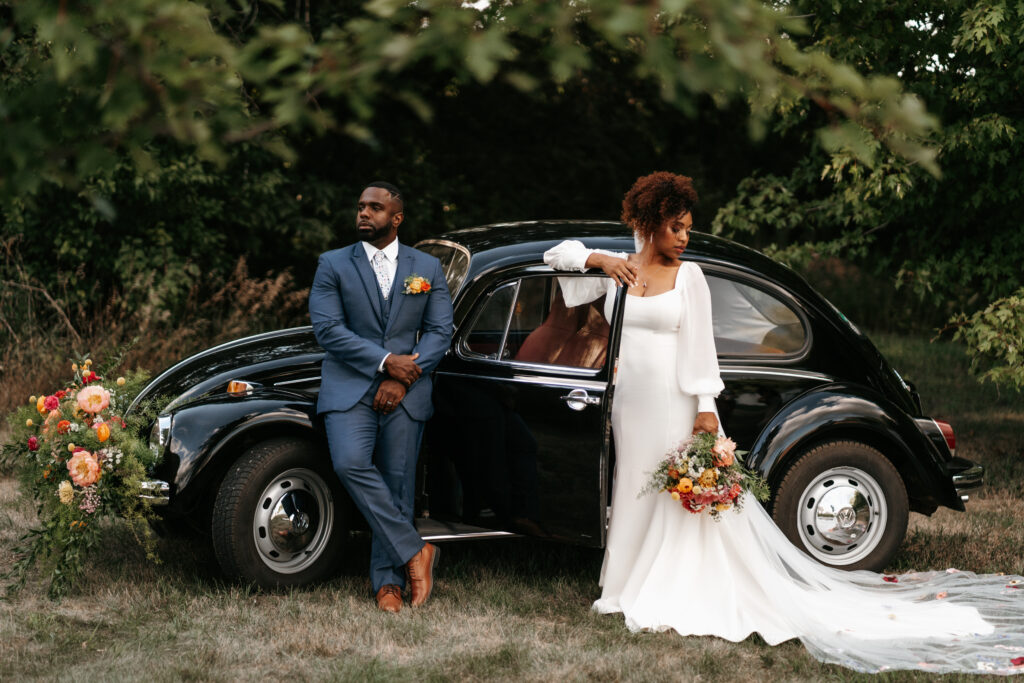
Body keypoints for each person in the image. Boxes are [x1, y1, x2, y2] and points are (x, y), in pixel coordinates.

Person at [544, 172, 1024, 675]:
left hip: (673, 400)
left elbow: (700, 347)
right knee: (630, 484)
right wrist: (598, 259)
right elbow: (556, 256)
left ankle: (667, 585)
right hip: (629, 402)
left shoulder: (690, 277)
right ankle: (622, 585)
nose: (685, 238)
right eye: (676, 228)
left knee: (672, 491)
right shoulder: (615, 270)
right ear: (648, 224)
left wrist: (706, 406)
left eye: (688, 228)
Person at [309, 181, 454, 613]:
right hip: (350, 387)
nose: (364, 214)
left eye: (375, 208)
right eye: (360, 207)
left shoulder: (426, 268)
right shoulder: (332, 264)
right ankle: (416, 551)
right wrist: (386, 362)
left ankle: (388, 585)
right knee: (350, 463)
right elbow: (329, 331)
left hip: (407, 392)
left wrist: (404, 377)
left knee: (398, 486)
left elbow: (439, 331)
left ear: (397, 217)